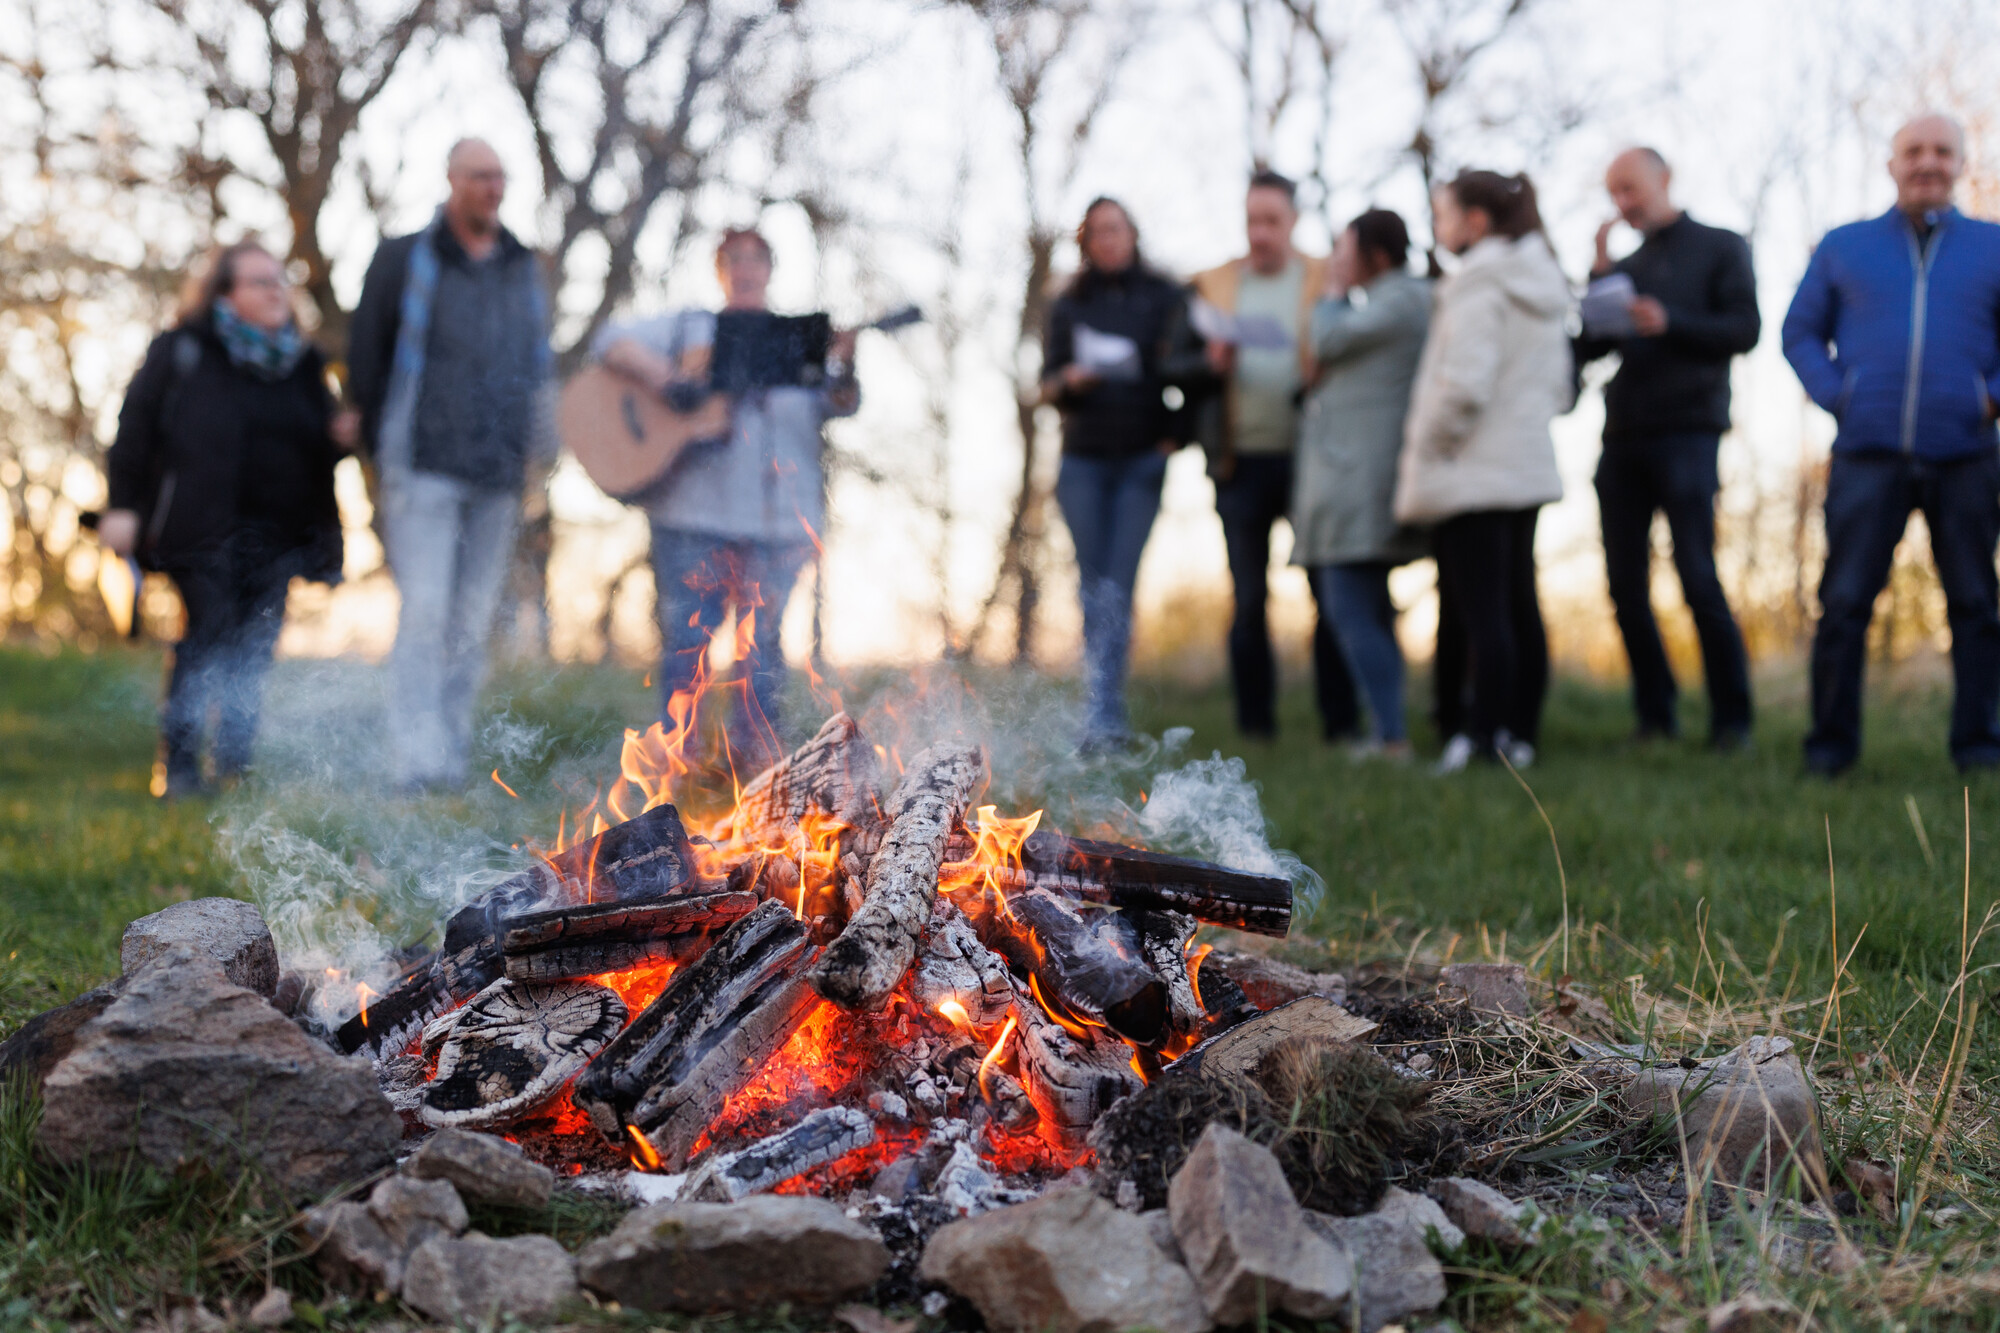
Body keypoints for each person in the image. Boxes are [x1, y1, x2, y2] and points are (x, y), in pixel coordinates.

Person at [1782, 114, 2000, 776]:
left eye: (1941, 151)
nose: (1927, 162)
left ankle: (1980, 749)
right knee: (1845, 602)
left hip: (1966, 452)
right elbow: (1798, 332)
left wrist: (1987, 398)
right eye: (1914, 151)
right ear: (1892, 164)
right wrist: (1841, 394)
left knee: (1975, 604)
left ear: (1961, 163)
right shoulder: (1844, 245)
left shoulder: (1993, 245)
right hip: (1866, 454)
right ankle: (1829, 751)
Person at [594, 228, 859, 762]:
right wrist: (669, 380)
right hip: (694, 516)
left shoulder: (798, 338)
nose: (745, 268)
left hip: (780, 521)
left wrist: (845, 361)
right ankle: (673, 765)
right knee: (688, 641)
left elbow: (841, 402)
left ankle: (755, 771)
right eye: (733, 259)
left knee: (761, 647)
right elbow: (608, 340)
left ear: (769, 270)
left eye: (756, 259)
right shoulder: (690, 325)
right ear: (719, 270)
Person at [102, 240, 352, 798]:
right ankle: (181, 768)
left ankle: (235, 767)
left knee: (256, 647)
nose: (275, 291)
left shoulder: (304, 361)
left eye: (278, 280)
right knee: (207, 636)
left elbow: (316, 441)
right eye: (259, 282)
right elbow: (135, 429)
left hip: (281, 532)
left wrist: (338, 440)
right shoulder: (184, 349)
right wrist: (122, 505)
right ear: (225, 293)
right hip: (201, 527)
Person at [348, 138, 553, 793]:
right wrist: (378, 452)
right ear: (452, 180)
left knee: (471, 622)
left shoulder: (521, 268)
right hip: (423, 465)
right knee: (427, 609)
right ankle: (416, 757)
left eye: (500, 176)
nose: (492, 188)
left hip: (497, 474)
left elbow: (537, 365)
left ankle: (452, 752)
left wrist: (540, 458)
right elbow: (367, 354)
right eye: (479, 176)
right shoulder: (404, 258)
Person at [1575, 148, 1760, 749]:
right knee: (1624, 586)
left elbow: (1744, 329)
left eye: (1630, 189)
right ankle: (1656, 717)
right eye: (1615, 194)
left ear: (1664, 178)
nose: (1623, 204)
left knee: (1698, 577)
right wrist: (1599, 280)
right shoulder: (1624, 265)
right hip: (1622, 438)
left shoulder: (1720, 246)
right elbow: (1589, 351)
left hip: (1689, 433)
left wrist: (1670, 321)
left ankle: (1732, 722)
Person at [1395, 170, 1573, 773]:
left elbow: (1464, 385)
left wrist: (1435, 445)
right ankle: (1519, 736)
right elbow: (1560, 386)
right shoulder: (1540, 282)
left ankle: (1477, 738)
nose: (1437, 226)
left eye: (1442, 214)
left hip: (1472, 468)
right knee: (1520, 603)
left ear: (1475, 221)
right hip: (1522, 461)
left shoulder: (1478, 283)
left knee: (1481, 612)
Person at [1190, 172, 1360, 741]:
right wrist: (1208, 363)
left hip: (1310, 460)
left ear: (1292, 222)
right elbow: (1178, 365)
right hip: (1239, 462)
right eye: (1251, 221)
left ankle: (1340, 722)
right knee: (1249, 595)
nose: (1259, 233)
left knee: (1327, 588)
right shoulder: (1211, 284)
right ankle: (1255, 725)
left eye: (1271, 221)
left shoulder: (1322, 276)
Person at [1041, 198, 1187, 749]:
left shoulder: (1164, 297)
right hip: (1083, 461)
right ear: (1085, 242)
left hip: (1141, 460)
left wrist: (1176, 435)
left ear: (1132, 234)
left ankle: (1110, 714)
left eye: (1116, 229)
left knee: (1119, 585)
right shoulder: (1068, 305)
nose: (1107, 240)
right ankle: (1096, 712)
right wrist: (1069, 382)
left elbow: (1188, 370)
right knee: (1091, 583)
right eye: (1097, 232)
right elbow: (1047, 383)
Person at [1291, 210, 1432, 760]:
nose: (1335, 260)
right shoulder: (1390, 303)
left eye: (1344, 249)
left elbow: (1325, 338)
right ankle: (1387, 729)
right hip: (1351, 482)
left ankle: (1391, 735)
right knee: (1361, 607)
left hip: (1360, 483)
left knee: (1351, 607)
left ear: (1374, 253)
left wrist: (1329, 290)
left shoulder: (1403, 299)